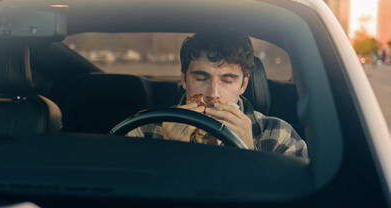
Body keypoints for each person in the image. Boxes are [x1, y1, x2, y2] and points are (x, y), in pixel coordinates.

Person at [128, 33, 308, 158]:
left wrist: (250, 155)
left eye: (227, 80)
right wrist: (168, 155)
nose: (213, 94)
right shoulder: (144, 131)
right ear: (183, 79)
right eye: (201, 77)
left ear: (243, 84)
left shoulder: (279, 136)